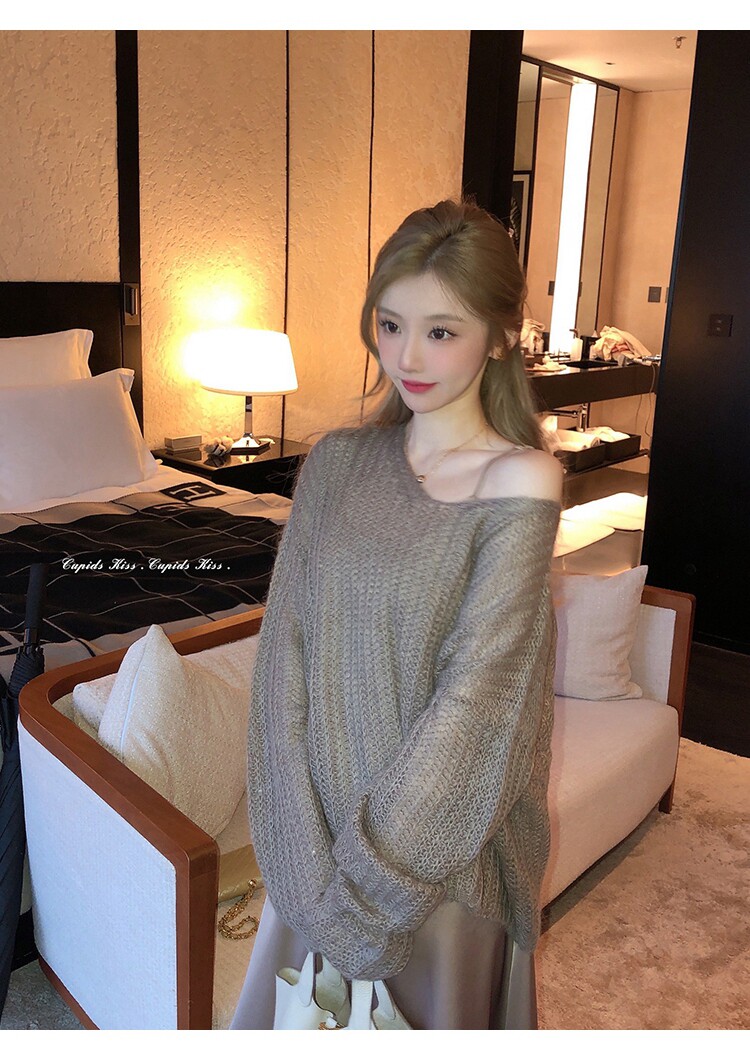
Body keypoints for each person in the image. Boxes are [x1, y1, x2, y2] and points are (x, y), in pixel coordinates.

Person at [230, 198, 563, 1031]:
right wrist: (299, 862)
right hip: (314, 865)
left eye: (441, 331)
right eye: (390, 324)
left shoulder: (520, 481)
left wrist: (367, 894)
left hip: (435, 872)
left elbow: (480, 707)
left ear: (500, 336)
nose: (407, 357)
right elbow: (282, 665)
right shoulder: (336, 463)